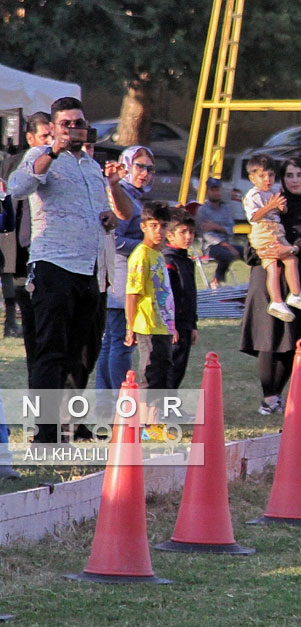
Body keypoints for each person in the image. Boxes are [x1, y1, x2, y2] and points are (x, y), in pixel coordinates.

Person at [8, 97, 129, 444]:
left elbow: (109, 212)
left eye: (79, 123)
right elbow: (18, 188)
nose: (73, 129)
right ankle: (45, 433)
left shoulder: (91, 166)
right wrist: (53, 151)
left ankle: (72, 425)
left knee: (82, 353)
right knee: (51, 350)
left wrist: (106, 217)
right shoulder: (41, 156)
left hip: (89, 269)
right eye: (66, 124)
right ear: (55, 127)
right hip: (53, 266)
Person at [240, 157, 301, 415]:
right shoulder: (269, 203)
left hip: (299, 279)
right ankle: (269, 396)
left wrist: (291, 248)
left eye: (299, 175)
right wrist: (270, 251)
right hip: (267, 275)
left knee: (295, 339)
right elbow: (251, 243)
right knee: (268, 338)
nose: (294, 180)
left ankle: (277, 394)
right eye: (289, 175)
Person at [96, 145, 156, 395]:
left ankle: (106, 405)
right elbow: (115, 239)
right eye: (139, 166)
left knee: (111, 343)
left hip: (123, 278)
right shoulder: (121, 194)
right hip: (121, 279)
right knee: (121, 343)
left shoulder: (135, 196)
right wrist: (147, 246)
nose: (145, 173)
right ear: (126, 166)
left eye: (150, 169)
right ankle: (122, 401)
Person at [0, 112, 52, 369]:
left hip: (48, 253)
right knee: (31, 320)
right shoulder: (12, 164)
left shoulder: (59, 163)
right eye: (44, 136)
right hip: (19, 251)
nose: (49, 141)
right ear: (30, 138)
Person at [243, 153, 301, 322]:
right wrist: (271, 206)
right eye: (262, 176)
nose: (267, 179)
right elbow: (253, 217)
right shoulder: (253, 195)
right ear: (252, 178)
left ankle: (296, 294)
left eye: (271, 175)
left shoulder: (275, 191)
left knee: (291, 260)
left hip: (277, 230)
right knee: (273, 267)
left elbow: (281, 211)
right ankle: (276, 301)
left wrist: (281, 208)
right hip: (263, 231)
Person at [124, 202, 177, 391]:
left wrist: (172, 326)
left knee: (164, 373)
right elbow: (132, 295)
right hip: (147, 326)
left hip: (163, 326)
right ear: (143, 226)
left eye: (163, 225)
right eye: (153, 225)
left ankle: (158, 418)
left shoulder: (159, 255)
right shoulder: (141, 255)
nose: (159, 231)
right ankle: (146, 419)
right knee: (151, 374)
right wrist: (130, 327)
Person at [163, 208, 199, 389]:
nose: (188, 236)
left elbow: (190, 295)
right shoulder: (169, 260)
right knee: (170, 367)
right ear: (169, 235)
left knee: (180, 368)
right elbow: (167, 296)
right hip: (173, 324)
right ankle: (161, 409)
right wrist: (171, 325)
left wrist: (193, 325)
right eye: (182, 232)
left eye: (191, 232)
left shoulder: (186, 260)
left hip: (185, 323)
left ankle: (169, 406)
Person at [194, 176, 243, 287]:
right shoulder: (202, 211)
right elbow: (206, 234)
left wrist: (216, 226)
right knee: (227, 255)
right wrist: (226, 244)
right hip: (210, 247)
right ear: (208, 191)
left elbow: (231, 230)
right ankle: (216, 281)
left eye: (218, 190)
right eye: (213, 190)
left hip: (227, 243)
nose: (216, 193)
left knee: (248, 252)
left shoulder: (225, 208)